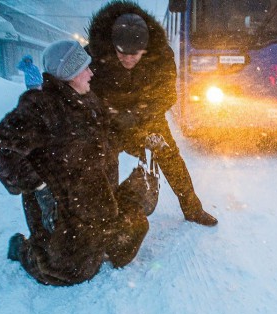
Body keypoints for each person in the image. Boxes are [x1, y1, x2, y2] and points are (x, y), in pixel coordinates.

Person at [0, 40, 149, 286]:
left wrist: (140, 142)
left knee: (126, 244)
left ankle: (115, 217)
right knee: (71, 272)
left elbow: (107, 138)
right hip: (64, 211)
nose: (91, 73)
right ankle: (22, 248)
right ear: (69, 73)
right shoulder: (41, 107)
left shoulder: (88, 99)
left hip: (99, 203)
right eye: (85, 68)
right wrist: (39, 187)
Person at [87, 1, 218, 227]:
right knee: (103, 160)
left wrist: (139, 115)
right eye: (122, 54)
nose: (128, 59)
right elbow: (85, 92)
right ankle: (105, 215)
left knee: (171, 158)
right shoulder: (94, 55)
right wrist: (113, 115)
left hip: (148, 117)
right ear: (112, 45)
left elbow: (168, 94)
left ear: (145, 49)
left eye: (134, 55)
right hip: (110, 120)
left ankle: (193, 209)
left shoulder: (161, 56)